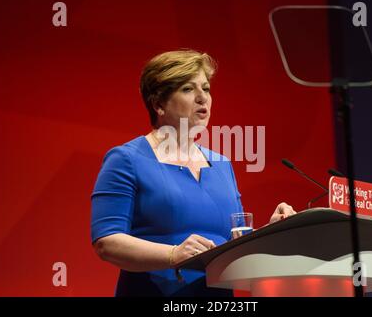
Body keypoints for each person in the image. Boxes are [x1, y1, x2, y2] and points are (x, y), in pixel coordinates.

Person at [90, 49, 296, 297]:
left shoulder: (221, 164)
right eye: (188, 89)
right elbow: (107, 242)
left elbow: (235, 244)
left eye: (206, 89)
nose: (202, 98)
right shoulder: (127, 159)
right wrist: (173, 254)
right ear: (158, 104)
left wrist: (273, 231)